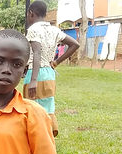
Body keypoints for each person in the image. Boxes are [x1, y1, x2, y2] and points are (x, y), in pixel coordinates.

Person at [24, 0, 79, 136]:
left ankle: (35, 138)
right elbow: (75, 44)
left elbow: (36, 52)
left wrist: (33, 80)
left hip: (35, 73)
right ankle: (48, 137)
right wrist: (55, 62)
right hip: (49, 73)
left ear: (31, 13)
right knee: (48, 107)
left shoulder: (33, 30)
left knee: (32, 107)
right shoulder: (54, 30)